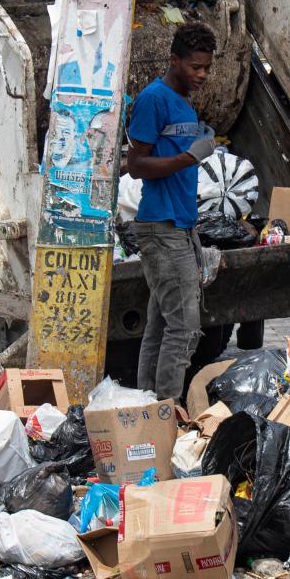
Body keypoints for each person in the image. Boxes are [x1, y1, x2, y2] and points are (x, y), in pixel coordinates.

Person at [123, 22, 217, 401]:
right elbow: (136, 165)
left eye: (207, 67)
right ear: (174, 60)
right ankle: (166, 412)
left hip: (179, 226)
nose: (202, 75)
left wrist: (197, 142)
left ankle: (148, 405)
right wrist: (187, 157)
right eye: (195, 67)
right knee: (184, 328)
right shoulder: (153, 99)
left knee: (161, 326)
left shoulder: (184, 103)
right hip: (160, 226)